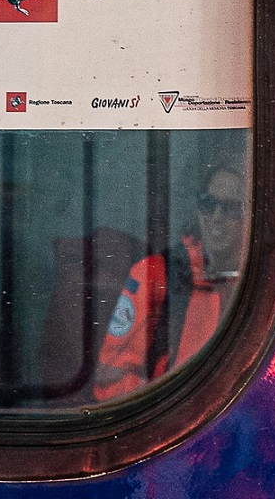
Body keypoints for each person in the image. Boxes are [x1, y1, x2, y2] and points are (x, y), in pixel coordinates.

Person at [90, 163, 247, 403]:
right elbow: (109, 383)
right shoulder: (155, 274)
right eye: (208, 204)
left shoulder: (266, 282)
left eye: (231, 209)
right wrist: (168, 401)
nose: (217, 217)